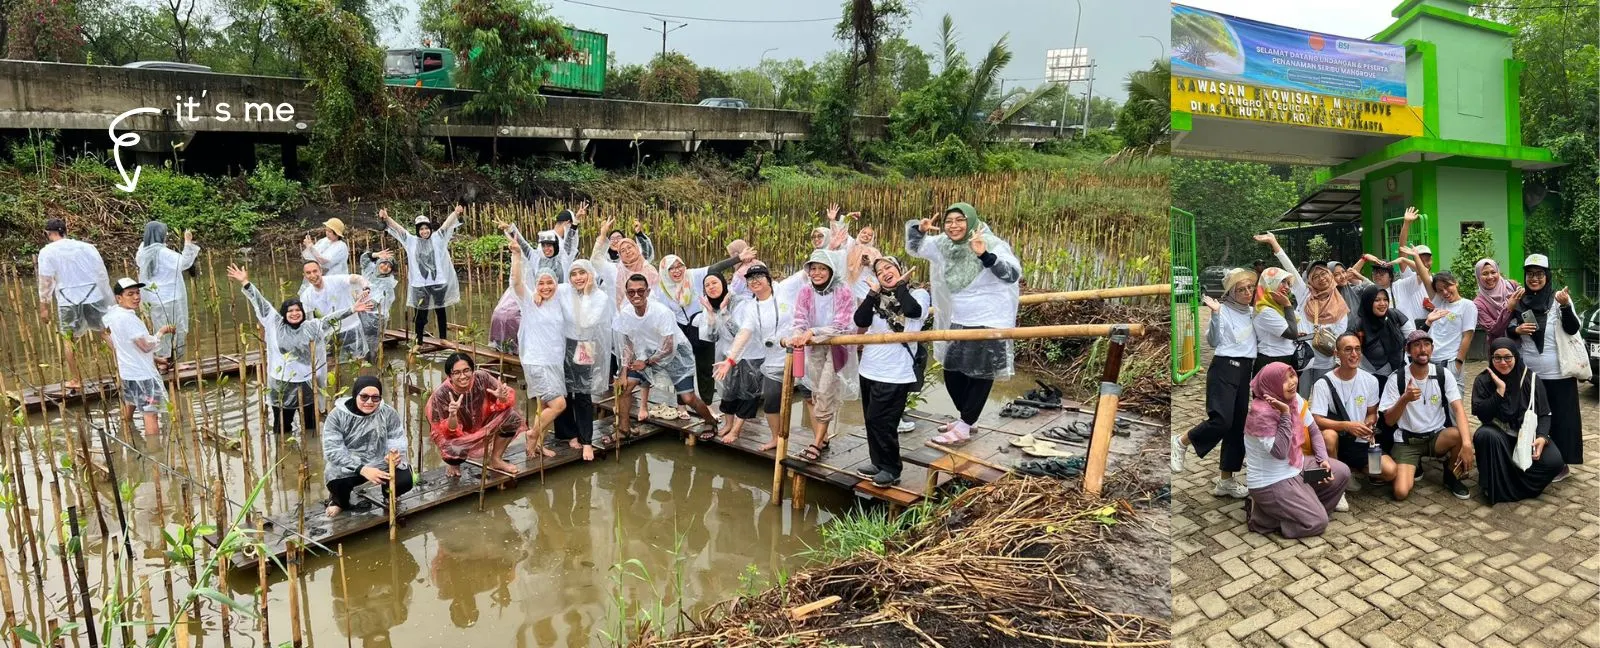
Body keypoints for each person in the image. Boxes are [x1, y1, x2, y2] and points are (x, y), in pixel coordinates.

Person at [906, 203, 1021, 445]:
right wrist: (920, 229)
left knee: (980, 374)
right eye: (949, 221)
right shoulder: (946, 244)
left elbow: (1012, 273)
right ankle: (968, 418)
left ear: (970, 220)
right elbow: (917, 248)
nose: (954, 225)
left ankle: (965, 425)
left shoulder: (990, 242)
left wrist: (984, 255)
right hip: (961, 318)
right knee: (952, 371)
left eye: (960, 220)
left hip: (990, 319)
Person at [228, 264, 372, 436]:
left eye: (298, 310)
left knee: (311, 426)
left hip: (306, 383)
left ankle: (312, 455)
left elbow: (329, 320)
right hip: (281, 383)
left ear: (303, 313)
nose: (295, 313)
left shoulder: (311, 327)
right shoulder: (275, 323)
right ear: (283, 313)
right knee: (282, 427)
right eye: (290, 311)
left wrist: (352, 309)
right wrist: (246, 282)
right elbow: (260, 302)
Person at [1172, 269, 1257, 499]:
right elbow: (1213, 341)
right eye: (1241, 289)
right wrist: (1216, 314)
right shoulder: (1224, 310)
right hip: (1224, 368)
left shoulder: (1253, 312)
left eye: (1250, 287)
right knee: (1221, 420)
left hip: (1245, 371)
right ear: (1231, 292)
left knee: (1237, 426)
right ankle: (1181, 441)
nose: (1247, 292)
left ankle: (1226, 481)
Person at [1242, 362, 1350, 538]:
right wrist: (1284, 414)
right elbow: (1280, 452)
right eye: (1284, 380)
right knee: (1317, 523)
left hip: (1299, 473)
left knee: (1340, 473)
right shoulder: (1261, 414)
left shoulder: (1295, 400)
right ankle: (1262, 516)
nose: (1292, 382)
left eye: (1292, 376)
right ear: (1271, 384)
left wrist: (1322, 459)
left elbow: (1314, 431)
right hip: (1273, 484)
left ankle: (1304, 507)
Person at [852, 256, 928, 487]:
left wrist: (901, 286)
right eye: (879, 271)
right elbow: (860, 321)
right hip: (869, 369)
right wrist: (872, 294)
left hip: (895, 373)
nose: (885, 272)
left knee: (883, 421)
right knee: (871, 419)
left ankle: (891, 468)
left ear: (899, 269)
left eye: (889, 267)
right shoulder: (876, 299)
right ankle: (878, 462)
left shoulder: (918, 294)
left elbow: (913, 312)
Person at [613, 274, 718, 437]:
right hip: (646, 353)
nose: (636, 295)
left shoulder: (661, 312)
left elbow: (669, 346)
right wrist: (623, 372)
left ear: (647, 292)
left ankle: (710, 421)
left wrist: (647, 363)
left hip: (676, 355)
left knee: (688, 397)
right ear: (626, 294)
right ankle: (623, 430)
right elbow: (628, 344)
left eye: (640, 291)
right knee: (624, 388)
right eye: (631, 292)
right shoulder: (626, 314)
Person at [1506, 254, 1583, 473]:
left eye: (1539, 274)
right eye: (1530, 274)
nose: (1534, 278)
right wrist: (1517, 329)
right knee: (1535, 417)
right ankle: (1535, 459)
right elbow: (1509, 328)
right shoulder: (1520, 300)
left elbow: (1572, 328)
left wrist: (1566, 306)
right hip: (1530, 372)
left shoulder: (1559, 298)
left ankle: (1561, 464)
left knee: (1562, 420)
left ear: (1547, 276)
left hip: (1558, 372)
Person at [1380, 330, 1473, 500]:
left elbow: (1459, 409)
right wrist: (1404, 399)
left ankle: (1450, 475)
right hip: (1407, 442)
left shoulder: (1443, 374)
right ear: (1408, 350)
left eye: (1427, 345)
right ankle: (1415, 464)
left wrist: (1467, 444)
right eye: (1416, 345)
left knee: (1459, 435)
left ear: (1432, 348)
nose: (1422, 350)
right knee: (1400, 492)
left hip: (1435, 437)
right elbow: (1388, 420)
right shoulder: (1397, 378)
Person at [785, 250, 860, 462]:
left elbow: (841, 324)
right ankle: (823, 436)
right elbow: (799, 318)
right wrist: (799, 334)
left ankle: (817, 442)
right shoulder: (806, 291)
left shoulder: (843, 291)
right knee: (817, 390)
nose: (817, 273)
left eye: (822, 268)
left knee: (827, 388)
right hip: (814, 346)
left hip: (837, 345)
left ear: (831, 270)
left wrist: (813, 332)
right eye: (813, 268)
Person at [1471, 339, 1565, 504]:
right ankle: (1495, 487)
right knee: (1485, 435)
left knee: (1554, 462)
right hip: (1499, 433)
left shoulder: (1531, 379)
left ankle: (1519, 487)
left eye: (1508, 357)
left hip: (1526, 435)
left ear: (1516, 356)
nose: (1503, 363)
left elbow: (1545, 413)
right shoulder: (1483, 380)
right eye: (1497, 358)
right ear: (1491, 358)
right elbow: (1483, 416)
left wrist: (1542, 437)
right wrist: (1499, 392)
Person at [711, 265, 790, 447]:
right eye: (750, 279)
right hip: (772, 358)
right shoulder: (752, 308)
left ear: (769, 279)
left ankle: (821, 440)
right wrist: (730, 360)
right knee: (771, 399)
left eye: (759, 276)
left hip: (797, 352)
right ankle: (776, 439)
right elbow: (744, 333)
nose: (754, 281)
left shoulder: (784, 291)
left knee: (810, 395)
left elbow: (806, 275)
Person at [657, 249, 747, 407]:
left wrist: (738, 258)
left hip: (701, 323)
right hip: (679, 329)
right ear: (665, 271)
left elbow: (714, 269)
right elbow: (662, 314)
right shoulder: (662, 288)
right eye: (672, 268)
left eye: (680, 266)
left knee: (706, 366)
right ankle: (682, 405)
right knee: (683, 366)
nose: (677, 271)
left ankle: (707, 404)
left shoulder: (693, 275)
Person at [1310, 333, 1397, 492]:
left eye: (1357, 349)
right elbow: (1316, 419)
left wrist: (1369, 423)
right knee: (1329, 436)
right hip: (1336, 441)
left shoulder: (1370, 380)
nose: (1354, 354)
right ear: (1337, 354)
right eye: (1348, 350)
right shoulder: (1323, 383)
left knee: (1390, 471)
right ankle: (1335, 483)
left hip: (1360, 441)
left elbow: (1372, 412)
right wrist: (1346, 426)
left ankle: (1351, 471)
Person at [36, 218, 113, 389]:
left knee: (68, 339)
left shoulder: (47, 252)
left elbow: (46, 281)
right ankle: (124, 369)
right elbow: (101, 273)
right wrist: (106, 295)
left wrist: (44, 306)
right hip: (93, 294)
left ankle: (76, 379)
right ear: (66, 230)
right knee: (105, 332)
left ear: (48, 233)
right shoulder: (86, 247)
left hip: (67, 298)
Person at [321, 375, 413, 517]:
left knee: (404, 480)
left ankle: (388, 495)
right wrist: (362, 469)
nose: (369, 402)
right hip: (351, 465)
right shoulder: (337, 416)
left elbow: (397, 438)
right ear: (355, 395)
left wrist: (394, 454)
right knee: (334, 478)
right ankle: (339, 501)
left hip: (380, 460)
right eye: (364, 397)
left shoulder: (388, 412)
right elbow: (333, 451)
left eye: (375, 397)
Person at [426, 353, 526, 478]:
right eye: (456, 373)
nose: (462, 376)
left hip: (481, 422)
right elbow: (448, 432)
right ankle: (454, 464)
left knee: (512, 417)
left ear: (473, 371)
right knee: (453, 449)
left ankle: (496, 459)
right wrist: (452, 415)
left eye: (466, 370)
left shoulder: (482, 378)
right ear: (449, 376)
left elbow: (505, 402)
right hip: (456, 433)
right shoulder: (442, 394)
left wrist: (502, 398)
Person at [508, 246, 566, 461]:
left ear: (556, 285)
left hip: (554, 362)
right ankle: (532, 435)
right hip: (537, 361)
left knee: (544, 405)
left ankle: (538, 443)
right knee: (558, 404)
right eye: (541, 283)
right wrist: (516, 256)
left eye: (550, 283)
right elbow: (516, 282)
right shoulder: (530, 302)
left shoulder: (559, 302)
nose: (545, 287)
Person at [555, 260, 615, 461]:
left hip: (585, 345)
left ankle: (586, 440)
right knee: (563, 391)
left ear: (590, 274)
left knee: (582, 393)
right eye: (574, 274)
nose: (578, 278)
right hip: (563, 343)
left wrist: (588, 294)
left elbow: (586, 321)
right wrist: (538, 293)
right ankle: (567, 433)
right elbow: (544, 286)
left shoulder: (600, 296)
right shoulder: (564, 290)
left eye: (583, 273)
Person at [381, 205, 463, 345]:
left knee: (440, 310)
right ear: (418, 231)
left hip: (438, 282)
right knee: (421, 314)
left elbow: (446, 225)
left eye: (426, 228)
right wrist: (387, 219)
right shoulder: (411, 241)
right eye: (421, 229)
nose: (424, 231)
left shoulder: (438, 238)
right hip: (420, 284)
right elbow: (399, 229)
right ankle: (418, 341)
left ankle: (443, 338)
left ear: (430, 229)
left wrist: (455, 213)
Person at [104, 278, 174, 436]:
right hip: (143, 377)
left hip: (127, 373)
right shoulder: (128, 319)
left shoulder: (113, 313)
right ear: (119, 298)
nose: (136, 297)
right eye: (130, 294)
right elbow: (145, 346)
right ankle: (155, 453)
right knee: (151, 414)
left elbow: (123, 344)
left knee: (130, 403)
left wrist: (157, 360)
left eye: (137, 293)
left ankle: (125, 432)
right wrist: (161, 332)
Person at [135, 222, 199, 365]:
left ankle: (164, 360)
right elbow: (184, 263)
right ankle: (172, 361)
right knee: (177, 329)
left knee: (161, 331)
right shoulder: (163, 252)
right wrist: (187, 242)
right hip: (171, 298)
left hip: (154, 298)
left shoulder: (142, 252)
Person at [299, 259, 373, 374]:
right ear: (304, 275)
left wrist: (366, 288)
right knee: (329, 365)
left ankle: (360, 387)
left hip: (351, 328)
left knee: (359, 362)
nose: (312, 275)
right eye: (308, 273)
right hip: (329, 333)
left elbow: (356, 278)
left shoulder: (335, 280)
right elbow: (310, 322)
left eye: (315, 271)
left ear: (321, 271)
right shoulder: (306, 296)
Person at [1352, 286, 1415, 394]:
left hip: (1401, 373)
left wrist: (1427, 323)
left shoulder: (1394, 315)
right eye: (1377, 300)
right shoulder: (1359, 325)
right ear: (1368, 302)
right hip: (1373, 378)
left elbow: (1413, 338)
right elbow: (1350, 347)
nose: (1382, 303)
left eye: (1385, 299)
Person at [1300, 261, 1350, 394]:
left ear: (1330, 275)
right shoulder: (1304, 295)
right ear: (1310, 280)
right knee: (1300, 400)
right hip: (1303, 358)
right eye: (1315, 277)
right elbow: (1291, 270)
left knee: (1321, 399)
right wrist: (1275, 244)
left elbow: (1340, 332)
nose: (1321, 278)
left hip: (1325, 360)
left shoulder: (1339, 304)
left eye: (1323, 273)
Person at [1422, 270, 1477, 385]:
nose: (1445, 292)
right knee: (1434, 400)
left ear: (1455, 283)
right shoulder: (1439, 302)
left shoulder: (1467, 305)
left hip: (1450, 361)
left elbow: (1467, 336)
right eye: (1440, 290)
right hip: (1431, 360)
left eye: (1447, 287)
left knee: (1453, 401)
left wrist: (1458, 362)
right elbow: (1425, 278)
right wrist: (1414, 256)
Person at [1252, 267, 1300, 373]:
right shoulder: (1265, 311)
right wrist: (1288, 305)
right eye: (1282, 282)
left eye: (1288, 284)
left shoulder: (1279, 309)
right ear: (1269, 284)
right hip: (1271, 361)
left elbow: (1291, 332)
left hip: (1285, 359)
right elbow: (1292, 333)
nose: (1287, 287)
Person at [358, 249, 399, 359]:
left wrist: (373, 302)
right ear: (378, 263)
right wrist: (376, 254)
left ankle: (372, 365)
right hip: (361, 313)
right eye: (383, 263)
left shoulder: (389, 282)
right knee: (360, 342)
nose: (385, 267)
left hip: (376, 318)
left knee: (372, 345)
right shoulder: (370, 270)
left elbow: (385, 297)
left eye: (389, 266)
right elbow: (364, 258)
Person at [1473, 258, 1520, 340]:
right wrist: (1508, 309)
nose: (1490, 277)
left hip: (1523, 343)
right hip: (1500, 347)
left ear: (1498, 272)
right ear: (1478, 277)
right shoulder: (1478, 304)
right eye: (1485, 274)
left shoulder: (1511, 285)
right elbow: (1493, 331)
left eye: (1493, 272)